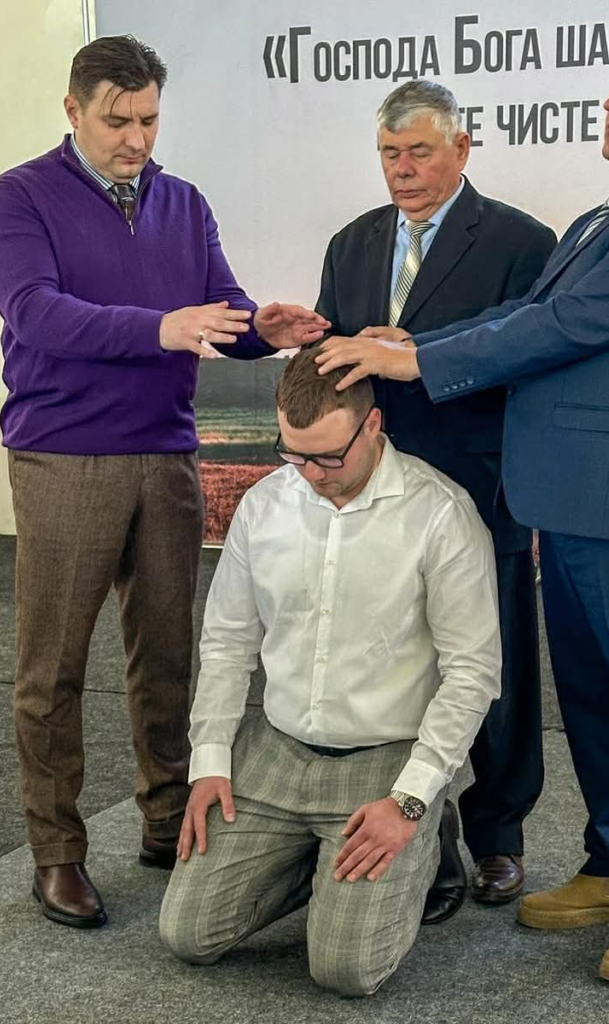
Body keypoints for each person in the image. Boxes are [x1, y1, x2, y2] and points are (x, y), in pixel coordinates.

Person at [316, 39, 609, 985]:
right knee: (593, 701)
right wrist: (413, 340)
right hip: (572, 496)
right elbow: (524, 327)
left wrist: (415, 359)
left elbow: (556, 330)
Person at [0, 35, 327, 929]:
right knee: (51, 671)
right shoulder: (18, 199)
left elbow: (220, 310)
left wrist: (263, 326)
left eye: (149, 119)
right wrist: (160, 327)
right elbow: (37, 313)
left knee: (167, 659)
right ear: (73, 111)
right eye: (117, 120)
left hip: (168, 456)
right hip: (65, 458)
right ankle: (56, 852)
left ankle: (166, 822)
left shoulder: (184, 201)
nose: (136, 137)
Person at [158, 345, 501, 996]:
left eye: (328, 456)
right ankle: (319, 863)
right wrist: (209, 762)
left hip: (386, 759)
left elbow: (472, 671)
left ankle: (430, 831)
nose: (310, 473)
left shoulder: (440, 514)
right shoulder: (265, 507)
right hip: (278, 752)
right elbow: (229, 640)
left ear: (372, 427)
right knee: (187, 933)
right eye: (294, 454)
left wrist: (409, 799)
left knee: (345, 970)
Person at [316, 80, 556, 923]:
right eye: (390, 154)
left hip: (476, 484)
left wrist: (412, 351)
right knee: (390, 661)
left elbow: (525, 354)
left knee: (490, 666)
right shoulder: (352, 244)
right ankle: (428, 831)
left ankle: (500, 835)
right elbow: (333, 355)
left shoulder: (523, 243)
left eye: (420, 152)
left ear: (462, 149)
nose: (403, 169)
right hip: (374, 487)